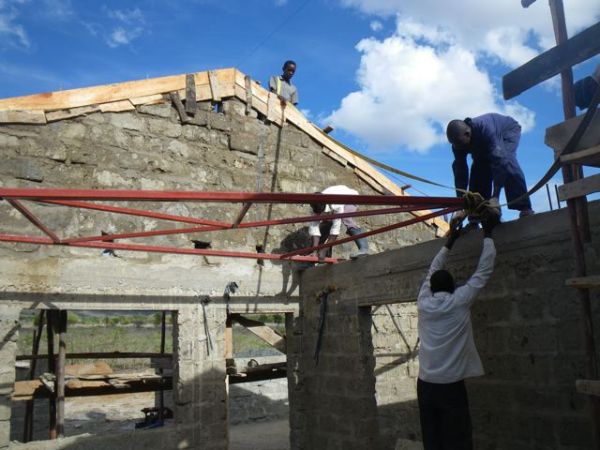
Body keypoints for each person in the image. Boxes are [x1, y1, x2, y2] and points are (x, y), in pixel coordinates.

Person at [416, 213, 498, 450]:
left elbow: (432, 269)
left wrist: (450, 240)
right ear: (453, 287)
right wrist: (489, 233)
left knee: (432, 439)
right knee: (458, 440)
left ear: (431, 289)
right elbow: (483, 272)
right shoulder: (459, 301)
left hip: (425, 385)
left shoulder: (423, 301)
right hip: (450, 387)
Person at [446, 114, 534, 222]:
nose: (458, 147)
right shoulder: (457, 144)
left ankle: (524, 207)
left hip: (507, 132)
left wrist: (495, 197)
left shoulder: (485, 128)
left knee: (506, 160)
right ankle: (476, 215)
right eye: (455, 144)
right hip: (484, 144)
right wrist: (461, 205)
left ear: (467, 134)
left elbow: (499, 161)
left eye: (459, 143)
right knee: (478, 171)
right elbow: (460, 172)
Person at [308, 185, 369, 260]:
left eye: (321, 212)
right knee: (326, 225)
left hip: (350, 198)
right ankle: (317, 254)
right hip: (335, 200)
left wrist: (324, 249)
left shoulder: (335, 204)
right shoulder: (313, 207)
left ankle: (364, 248)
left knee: (346, 217)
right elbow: (314, 229)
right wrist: (314, 251)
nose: (319, 214)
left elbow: (335, 229)